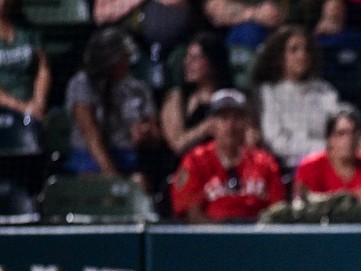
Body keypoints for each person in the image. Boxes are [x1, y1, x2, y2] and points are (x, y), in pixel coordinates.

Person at [64, 28, 169, 196]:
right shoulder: (81, 84)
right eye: (123, 57)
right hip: (89, 160)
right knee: (92, 187)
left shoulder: (138, 89)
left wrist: (145, 133)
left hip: (129, 158)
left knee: (141, 184)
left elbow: (156, 136)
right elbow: (91, 136)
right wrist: (114, 180)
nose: (128, 61)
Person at [170, 87, 286, 221]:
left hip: (256, 236)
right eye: (223, 118)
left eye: (237, 117)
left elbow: (277, 211)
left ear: (246, 123)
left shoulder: (265, 162)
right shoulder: (194, 161)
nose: (230, 125)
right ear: (211, 124)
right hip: (210, 238)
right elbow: (193, 216)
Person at [250, 24, 339, 171]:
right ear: (280, 57)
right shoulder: (268, 92)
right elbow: (276, 143)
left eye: (306, 50)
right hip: (293, 164)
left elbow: (341, 123)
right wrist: (327, 147)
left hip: (332, 157)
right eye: (294, 50)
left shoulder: (324, 90)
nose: (302, 55)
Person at [293, 103, 361, 209]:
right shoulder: (309, 168)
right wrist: (354, 203)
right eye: (341, 134)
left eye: (353, 133)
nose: (348, 140)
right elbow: (301, 209)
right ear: (329, 138)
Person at [160, 31, 236, 159]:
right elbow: (177, 145)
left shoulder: (232, 97)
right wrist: (208, 126)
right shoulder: (178, 98)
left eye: (195, 58)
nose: (186, 63)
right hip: (186, 168)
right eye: (187, 57)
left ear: (213, 62)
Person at [0, 0, 50, 122]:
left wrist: (38, 102)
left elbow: (43, 68)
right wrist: (21, 107)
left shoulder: (29, 30)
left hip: (31, 105)